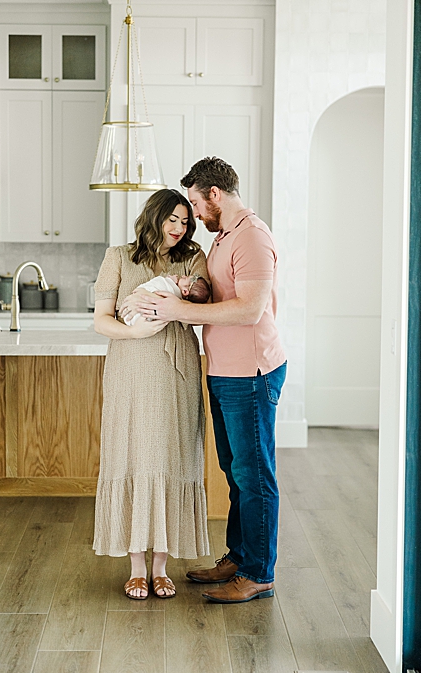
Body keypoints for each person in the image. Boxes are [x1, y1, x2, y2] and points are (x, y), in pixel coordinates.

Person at [130, 157, 286, 604]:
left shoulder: (252, 237)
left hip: (251, 373)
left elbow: (250, 310)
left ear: (213, 195)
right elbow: (224, 296)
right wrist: (196, 292)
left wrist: (180, 310)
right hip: (224, 371)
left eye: (197, 204)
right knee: (236, 473)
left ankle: (258, 573)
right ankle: (239, 556)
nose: (195, 215)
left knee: (255, 476)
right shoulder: (225, 237)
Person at [92, 188, 210, 600]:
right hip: (130, 367)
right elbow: (101, 320)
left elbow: (201, 304)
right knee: (132, 454)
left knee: (171, 454)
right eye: (172, 219)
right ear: (154, 216)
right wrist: (134, 331)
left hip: (176, 368)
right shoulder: (118, 256)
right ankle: (136, 567)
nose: (179, 228)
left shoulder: (193, 258)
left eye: (185, 221)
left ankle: (161, 567)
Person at [122, 273, 209, 325]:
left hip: (136, 314)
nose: (182, 275)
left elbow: (160, 288)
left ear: (185, 291)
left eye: (185, 278)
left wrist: (169, 280)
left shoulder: (173, 297)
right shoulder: (177, 299)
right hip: (136, 316)